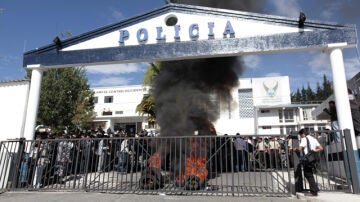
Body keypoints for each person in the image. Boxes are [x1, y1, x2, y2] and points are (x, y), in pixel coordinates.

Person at [295, 129, 323, 196]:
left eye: (301, 135)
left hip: (307, 159)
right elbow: (321, 148)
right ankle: (315, 189)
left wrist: (295, 149)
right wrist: (313, 150)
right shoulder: (314, 139)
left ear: (303, 134)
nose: (301, 136)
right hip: (313, 159)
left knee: (308, 174)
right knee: (309, 173)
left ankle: (314, 191)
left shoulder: (304, 139)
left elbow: (299, 148)